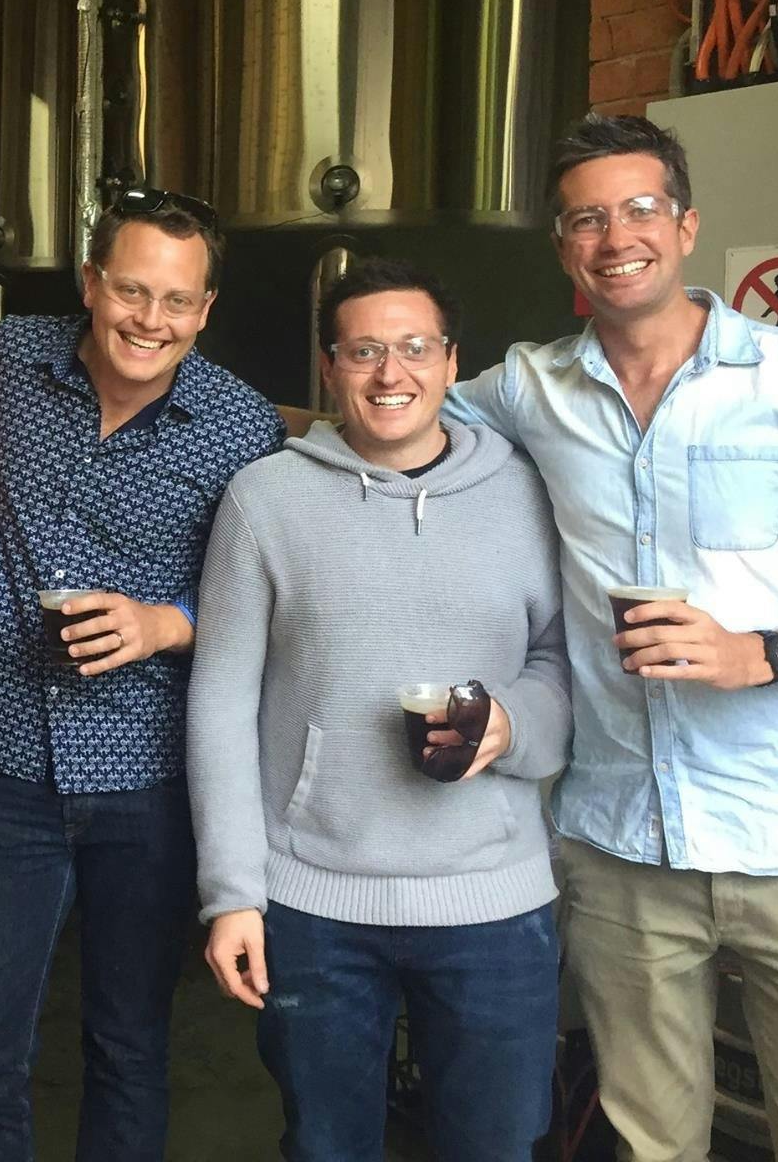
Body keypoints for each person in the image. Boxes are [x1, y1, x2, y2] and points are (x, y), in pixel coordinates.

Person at [447, 112, 778, 1161]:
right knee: (648, 1145)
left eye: (637, 209)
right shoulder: (524, 390)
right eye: (584, 218)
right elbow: (392, 413)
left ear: (684, 227)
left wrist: (758, 653)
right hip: (621, 845)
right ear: (560, 247)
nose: (613, 235)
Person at [189, 256, 570, 1162]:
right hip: (315, 906)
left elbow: (562, 661)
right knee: (326, 1148)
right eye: (364, 351)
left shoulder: (528, 494)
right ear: (329, 367)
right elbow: (220, 701)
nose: (390, 374)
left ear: (450, 361)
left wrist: (513, 727)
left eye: (413, 348)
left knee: (496, 1148)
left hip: (494, 901)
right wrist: (233, 894)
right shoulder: (265, 499)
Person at [0, 186, 287, 1161]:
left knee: (127, 1045)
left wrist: (163, 623)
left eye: (175, 301)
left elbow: (264, 599)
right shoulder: (3, 363)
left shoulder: (238, 426)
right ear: (90, 284)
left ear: (205, 308)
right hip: (6, 757)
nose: (149, 319)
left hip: (148, 777)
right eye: (131, 291)